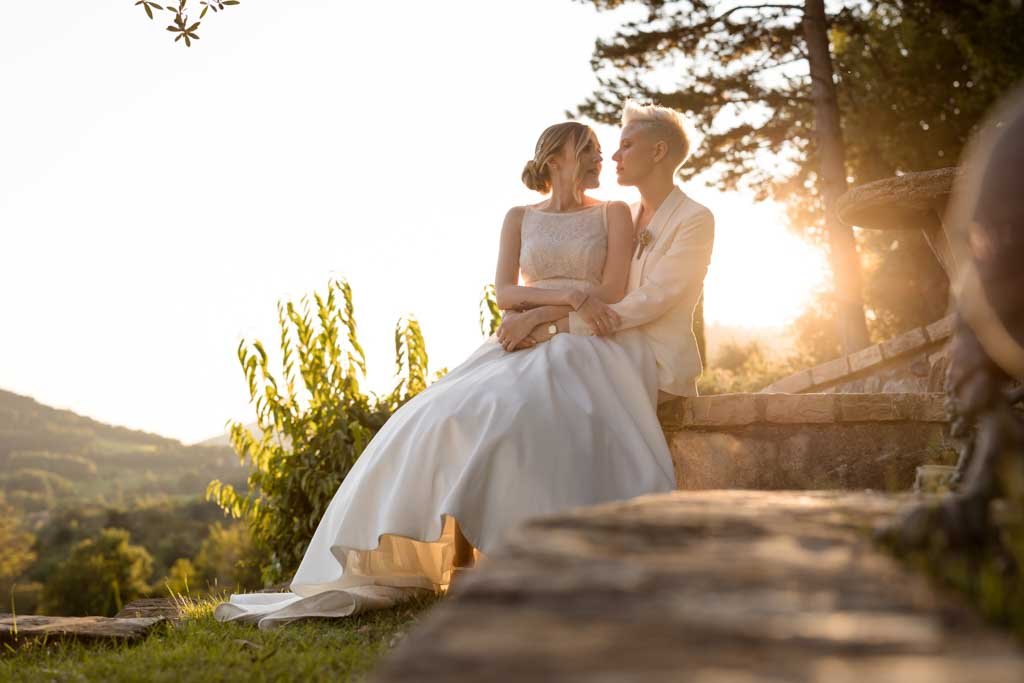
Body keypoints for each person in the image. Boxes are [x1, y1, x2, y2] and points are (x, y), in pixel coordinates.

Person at [215, 120, 676, 630]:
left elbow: (609, 291)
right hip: (521, 335)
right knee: (443, 412)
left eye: (598, 148)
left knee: (524, 412)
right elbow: (504, 293)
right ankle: (455, 562)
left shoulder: (614, 213)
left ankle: (522, 561)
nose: (599, 156)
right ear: (555, 157)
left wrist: (542, 314)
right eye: (587, 147)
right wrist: (559, 298)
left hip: (584, 340)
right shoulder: (518, 217)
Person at [500, 101, 715, 405]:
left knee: (545, 400)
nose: (612, 156)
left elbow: (648, 300)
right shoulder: (622, 214)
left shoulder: (694, 218)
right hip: (603, 347)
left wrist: (549, 324)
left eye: (626, 145)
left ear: (657, 152)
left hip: (656, 365)